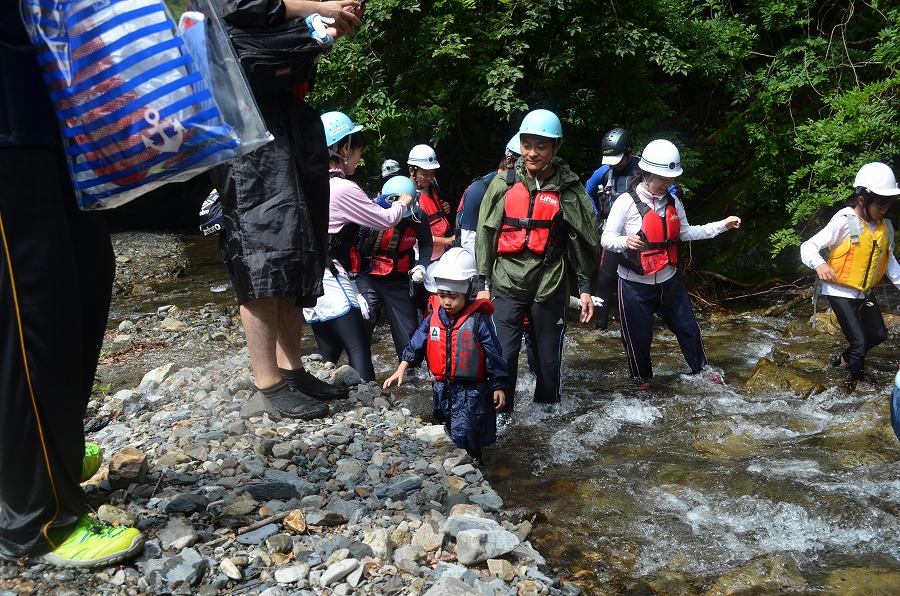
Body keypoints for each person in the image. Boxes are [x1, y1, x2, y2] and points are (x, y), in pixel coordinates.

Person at [0, 8, 144, 567]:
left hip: (51, 108)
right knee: (34, 310)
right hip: (9, 121)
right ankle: (37, 521)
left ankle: (49, 453)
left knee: (86, 278)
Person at [209, 0, 363, 419]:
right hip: (245, 120)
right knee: (261, 246)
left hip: (283, 114)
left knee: (297, 244)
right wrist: (320, 9)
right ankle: (267, 381)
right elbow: (246, 6)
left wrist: (326, 24)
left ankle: (291, 369)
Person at [476, 109, 599, 413]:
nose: (532, 153)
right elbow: (486, 233)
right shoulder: (503, 183)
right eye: (526, 145)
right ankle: (501, 418)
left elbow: (582, 239)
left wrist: (584, 288)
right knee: (501, 356)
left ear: (557, 147)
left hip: (549, 283)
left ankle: (546, 420)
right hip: (506, 282)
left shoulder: (569, 188)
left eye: (541, 146)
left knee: (547, 360)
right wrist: (482, 283)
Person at [600, 139, 741, 391]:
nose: (668, 183)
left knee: (689, 328)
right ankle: (641, 381)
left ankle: (702, 371)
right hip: (634, 285)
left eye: (671, 178)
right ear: (647, 173)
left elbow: (687, 232)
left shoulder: (674, 202)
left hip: (669, 281)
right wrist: (625, 241)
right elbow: (606, 239)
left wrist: (722, 225)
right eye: (662, 178)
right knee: (638, 339)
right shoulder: (625, 202)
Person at [303, 112, 414, 382]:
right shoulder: (343, 188)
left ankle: (317, 391)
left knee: (329, 347)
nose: (359, 157)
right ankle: (370, 405)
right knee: (359, 346)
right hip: (330, 275)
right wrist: (403, 202)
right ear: (344, 148)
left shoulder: (309, 181)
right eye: (358, 151)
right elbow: (384, 220)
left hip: (309, 276)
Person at [383, 248, 508, 463]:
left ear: (468, 291)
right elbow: (417, 343)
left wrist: (498, 386)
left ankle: (472, 469)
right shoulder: (434, 318)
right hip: (442, 388)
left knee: (466, 435)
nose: (447, 302)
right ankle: (459, 466)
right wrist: (402, 367)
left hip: (471, 392)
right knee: (450, 428)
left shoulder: (478, 321)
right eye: (442, 295)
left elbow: (493, 355)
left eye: (453, 296)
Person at [800, 162, 900, 382]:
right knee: (859, 343)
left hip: (864, 292)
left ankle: (841, 361)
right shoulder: (843, 223)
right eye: (879, 206)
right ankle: (857, 386)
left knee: (878, 335)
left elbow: (890, 263)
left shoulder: (885, 228)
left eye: (887, 205)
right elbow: (807, 246)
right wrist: (819, 264)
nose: (883, 210)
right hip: (839, 291)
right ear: (863, 200)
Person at [355, 176, 434, 361]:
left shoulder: (417, 216)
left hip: (399, 279)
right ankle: (358, 369)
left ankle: (409, 374)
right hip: (368, 278)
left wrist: (422, 265)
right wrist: (354, 291)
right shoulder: (369, 215)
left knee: (408, 334)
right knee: (362, 320)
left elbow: (426, 244)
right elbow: (352, 252)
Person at [584, 128, 643, 330]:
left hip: (639, 239)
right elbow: (587, 191)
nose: (614, 163)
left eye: (618, 158)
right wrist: (596, 218)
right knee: (604, 282)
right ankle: (600, 329)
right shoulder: (604, 172)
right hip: (612, 237)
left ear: (629, 152)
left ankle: (639, 327)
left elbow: (668, 189)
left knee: (640, 284)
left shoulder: (644, 170)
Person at [455, 134, 521, 259]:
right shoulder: (479, 189)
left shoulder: (518, 189)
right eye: (523, 167)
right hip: (480, 264)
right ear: (509, 162)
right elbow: (468, 240)